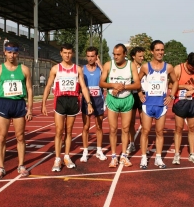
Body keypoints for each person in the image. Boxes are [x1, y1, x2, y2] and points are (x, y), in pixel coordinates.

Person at [41, 43, 93, 172]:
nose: (67, 55)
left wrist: (89, 102)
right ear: (61, 53)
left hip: (73, 100)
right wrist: (43, 103)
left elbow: (84, 87)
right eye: (65, 52)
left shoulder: (77, 69)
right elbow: (48, 86)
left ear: (72, 54)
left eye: (69, 53)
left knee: (69, 131)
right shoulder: (55, 69)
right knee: (59, 131)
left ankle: (67, 156)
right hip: (60, 100)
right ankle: (57, 158)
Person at [0, 42, 33, 179]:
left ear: (18, 53)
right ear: (5, 52)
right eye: (9, 52)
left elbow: (29, 89)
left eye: (14, 52)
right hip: (4, 103)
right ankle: (1, 167)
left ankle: (21, 165)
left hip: (19, 104)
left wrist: (30, 108)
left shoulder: (24, 69)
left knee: (20, 136)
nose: (12, 55)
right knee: (1, 137)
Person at [138, 40, 178, 169]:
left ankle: (158, 158)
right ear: (152, 51)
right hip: (148, 104)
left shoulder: (169, 67)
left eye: (162, 50)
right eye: (157, 50)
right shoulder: (145, 67)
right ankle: (144, 158)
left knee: (160, 132)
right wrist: (140, 94)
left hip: (161, 105)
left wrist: (171, 96)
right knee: (145, 131)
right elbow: (136, 81)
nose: (160, 52)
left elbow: (175, 82)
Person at [99, 43, 140, 168]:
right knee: (112, 129)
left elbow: (137, 85)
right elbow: (101, 82)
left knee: (126, 129)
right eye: (114, 54)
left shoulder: (131, 65)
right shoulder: (108, 65)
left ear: (124, 54)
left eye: (118, 54)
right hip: (112, 100)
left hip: (127, 99)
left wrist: (124, 86)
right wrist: (113, 85)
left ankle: (124, 156)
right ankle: (113, 156)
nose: (115, 57)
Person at [171, 52, 194, 165]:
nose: (193, 69)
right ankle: (177, 154)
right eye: (191, 67)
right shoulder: (178, 69)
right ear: (187, 61)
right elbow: (170, 85)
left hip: (193, 102)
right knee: (179, 128)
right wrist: (184, 86)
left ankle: (192, 154)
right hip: (180, 101)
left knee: (192, 128)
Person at [80, 46, 107, 162]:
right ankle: (85, 152)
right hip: (86, 101)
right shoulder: (82, 69)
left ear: (96, 57)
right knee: (86, 127)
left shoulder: (101, 69)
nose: (90, 58)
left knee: (99, 126)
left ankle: (99, 150)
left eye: (92, 56)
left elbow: (107, 79)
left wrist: (100, 64)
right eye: (88, 56)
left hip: (98, 100)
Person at [127, 46, 145, 155]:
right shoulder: (128, 67)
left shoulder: (145, 67)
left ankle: (144, 143)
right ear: (133, 56)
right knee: (131, 122)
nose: (142, 58)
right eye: (140, 56)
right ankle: (132, 143)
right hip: (131, 95)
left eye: (143, 56)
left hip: (143, 95)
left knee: (144, 122)